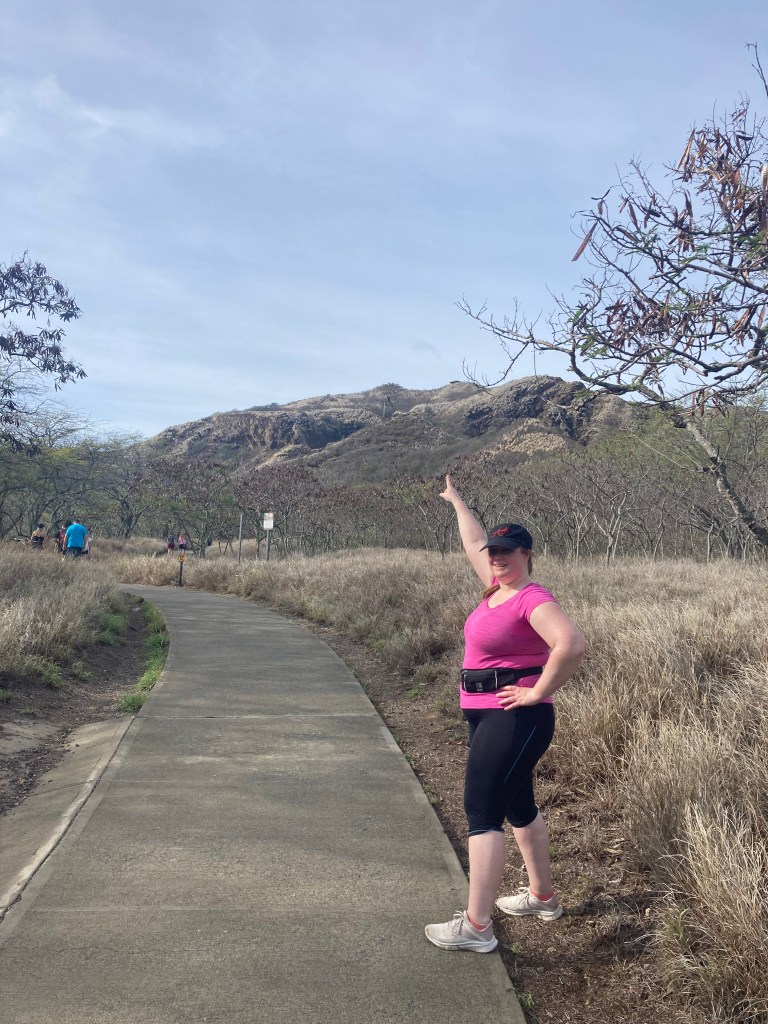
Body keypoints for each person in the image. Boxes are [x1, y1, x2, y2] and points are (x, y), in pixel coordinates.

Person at [424, 475, 586, 953]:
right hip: (487, 715)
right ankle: (543, 897)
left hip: (514, 718)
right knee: (519, 806)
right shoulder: (494, 586)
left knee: (482, 812)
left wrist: (538, 690)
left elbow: (571, 645)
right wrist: (456, 501)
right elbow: (473, 540)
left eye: (506, 552)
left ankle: (477, 927)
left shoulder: (530, 597)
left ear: (527, 555)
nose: (496, 557)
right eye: (494, 552)